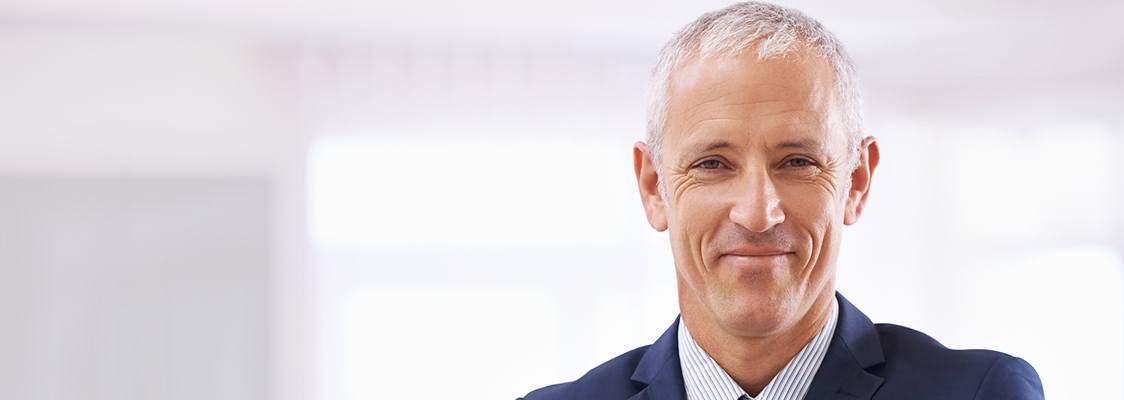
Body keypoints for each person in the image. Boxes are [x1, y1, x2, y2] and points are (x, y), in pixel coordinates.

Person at [520, 2, 1044, 399]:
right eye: (712, 164)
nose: (756, 212)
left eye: (797, 162)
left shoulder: (980, 393)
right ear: (654, 187)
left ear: (855, 181)